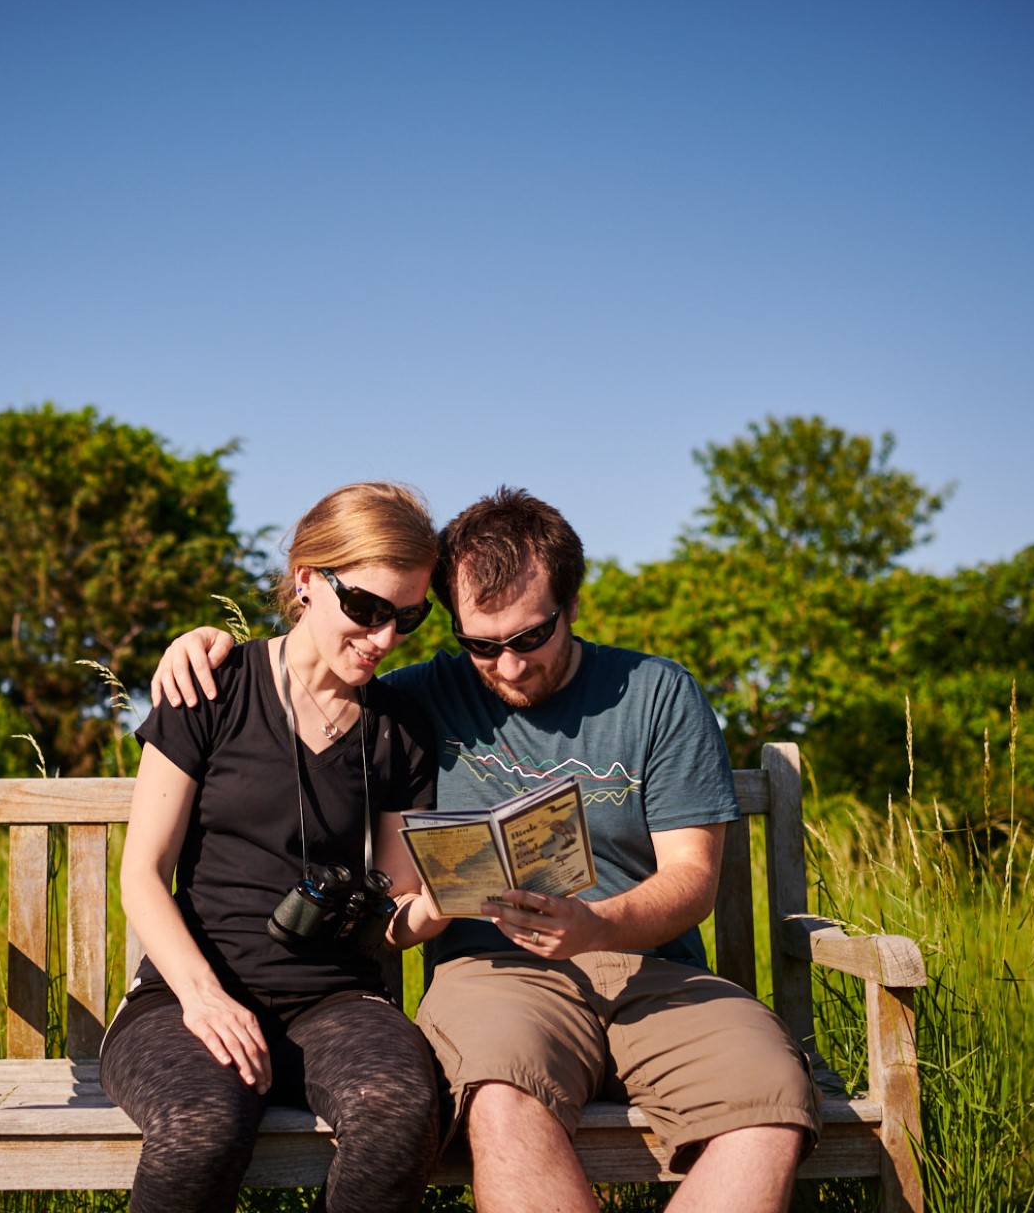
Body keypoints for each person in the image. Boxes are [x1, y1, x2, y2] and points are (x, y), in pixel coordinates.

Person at [151, 486, 821, 1213]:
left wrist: (598, 926)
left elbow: (693, 877)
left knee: (769, 1104)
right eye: (480, 645)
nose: (507, 667)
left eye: (530, 638)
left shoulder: (658, 694)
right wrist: (204, 644)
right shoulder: (409, 703)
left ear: (572, 605)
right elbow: (304, 672)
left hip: (654, 968)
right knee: (501, 1099)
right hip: (495, 970)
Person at [102, 481, 445, 1213]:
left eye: (407, 618)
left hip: (337, 999)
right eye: (366, 608)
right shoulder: (212, 687)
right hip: (184, 997)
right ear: (307, 581)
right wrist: (204, 997)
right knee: (201, 1126)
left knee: (402, 1110)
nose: (383, 638)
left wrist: (437, 910)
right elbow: (141, 873)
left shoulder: (402, 728)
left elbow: (391, 912)